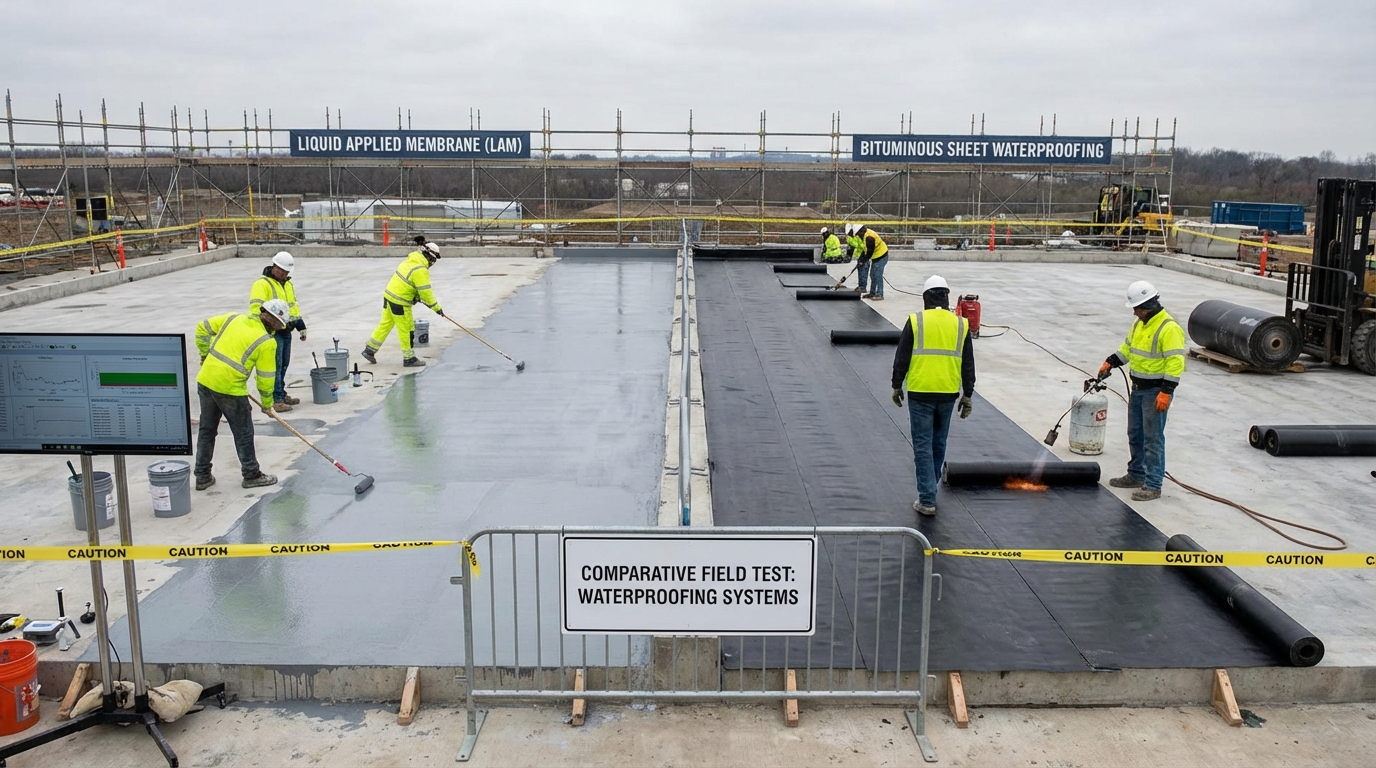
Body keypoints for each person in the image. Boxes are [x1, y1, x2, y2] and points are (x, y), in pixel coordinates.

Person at [890, 275, 975, 516]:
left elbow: (902, 357)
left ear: (926, 297)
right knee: (938, 443)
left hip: (920, 393)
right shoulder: (960, 324)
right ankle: (931, 489)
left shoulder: (916, 321)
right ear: (947, 296)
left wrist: (897, 385)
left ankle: (927, 498)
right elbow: (968, 363)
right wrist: (967, 394)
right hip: (948, 392)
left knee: (923, 446)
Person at [1098, 280, 1185, 501]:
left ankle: (1153, 484)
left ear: (1149, 304)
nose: (1135, 312)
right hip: (1137, 389)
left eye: (1137, 308)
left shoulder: (1169, 328)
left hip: (1155, 392)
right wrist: (1111, 361)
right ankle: (1136, 474)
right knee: (1135, 434)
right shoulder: (1140, 324)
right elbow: (1128, 348)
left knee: (1153, 439)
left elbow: (1175, 363)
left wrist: (1166, 391)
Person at [193, 299, 291, 491]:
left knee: (207, 430)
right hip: (230, 389)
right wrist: (267, 404)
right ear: (277, 323)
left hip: (206, 380)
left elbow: (202, 328)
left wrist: (205, 355)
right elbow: (265, 377)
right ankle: (251, 474)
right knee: (243, 432)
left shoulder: (233, 318)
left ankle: (202, 476)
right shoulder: (266, 342)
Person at [362, 237, 445, 368]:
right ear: (429, 256)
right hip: (400, 302)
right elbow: (425, 292)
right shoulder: (420, 269)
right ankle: (409, 358)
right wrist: (437, 308)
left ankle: (370, 349)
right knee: (406, 329)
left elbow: (410, 284)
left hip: (389, 296)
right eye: (433, 261)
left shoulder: (410, 260)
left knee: (385, 324)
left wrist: (416, 296)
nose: (432, 264)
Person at [249, 251, 307, 413]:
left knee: (284, 364)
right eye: (282, 271)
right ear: (274, 267)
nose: (285, 274)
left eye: (287, 272)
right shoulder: (262, 284)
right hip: (272, 332)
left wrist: (300, 324)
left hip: (286, 330)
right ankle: (276, 399)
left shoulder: (287, 283)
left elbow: (292, 305)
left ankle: (281, 392)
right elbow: (256, 310)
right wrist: (267, 328)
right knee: (275, 365)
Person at [855, 224, 890, 300]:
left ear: (861, 231)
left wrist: (863, 261)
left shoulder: (869, 238)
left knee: (877, 275)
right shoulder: (864, 235)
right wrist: (861, 259)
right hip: (875, 256)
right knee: (872, 275)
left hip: (881, 256)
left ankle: (880, 294)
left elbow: (869, 252)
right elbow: (865, 250)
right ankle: (872, 293)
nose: (857, 236)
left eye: (858, 234)